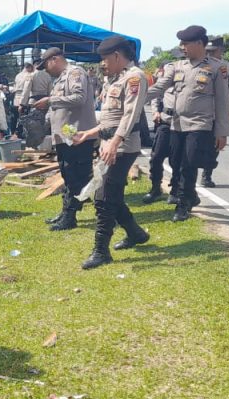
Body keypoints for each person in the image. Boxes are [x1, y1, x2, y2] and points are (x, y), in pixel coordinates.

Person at [71, 36, 151, 270]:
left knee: (104, 198)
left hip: (122, 147)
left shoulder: (134, 77)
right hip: (109, 144)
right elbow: (110, 119)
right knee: (111, 195)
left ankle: (101, 251)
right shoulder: (115, 79)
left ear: (117, 56)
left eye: (105, 59)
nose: (103, 64)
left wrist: (115, 142)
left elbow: (130, 115)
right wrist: (89, 133)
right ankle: (136, 234)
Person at [146, 25, 229, 222]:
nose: (182, 47)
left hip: (200, 124)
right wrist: (136, 98)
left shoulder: (216, 68)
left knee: (189, 164)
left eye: (185, 43)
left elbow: (222, 102)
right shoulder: (177, 66)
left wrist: (222, 132)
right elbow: (159, 87)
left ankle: (183, 204)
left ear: (199, 43)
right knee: (176, 162)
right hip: (177, 124)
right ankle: (191, 195)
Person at [38, 47, 98, 231]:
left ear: (54, 59)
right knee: (67, 173)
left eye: (46, 65)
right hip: (66, 135)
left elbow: (79, 98)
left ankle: (70, 216)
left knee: (75, 176)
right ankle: (66, 211)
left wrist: (50, 100)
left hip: (78, 135)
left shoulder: (75, 73)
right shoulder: (60, 78)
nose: (45, 70)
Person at [202, 35, 229, 188]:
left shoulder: (228, 68)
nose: (209, 54)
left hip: (218, 112)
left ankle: (207, 175)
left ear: (221, 50)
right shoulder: (200, 64)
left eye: (213, 51)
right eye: (207, 51)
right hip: (200, 111)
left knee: (214, 146)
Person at [144, 60, 181, 205]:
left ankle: (175, 191)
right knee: (156, 157)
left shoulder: (186, 80)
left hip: (180, 125)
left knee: (176, 161)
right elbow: (156, 96)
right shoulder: (164, 80)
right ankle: (155, 188)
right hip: (165, 122)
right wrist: (155, 112)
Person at [23, 55, 54, 148]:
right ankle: (45, 145)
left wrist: (22, 104)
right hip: (45, 103)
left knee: (33, 125)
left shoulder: (31, 75)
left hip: (34, 102)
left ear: (34, 65)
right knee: (45, 124)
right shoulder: (48, 76)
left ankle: (34, 145)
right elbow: (50, 91)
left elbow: (26, 90)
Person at [13, 62, 35, 133]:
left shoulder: (17, 75)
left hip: (16, 99)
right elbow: (27, 89)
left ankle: (15, 132)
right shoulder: (29, 75)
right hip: (25, 99)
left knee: (16, 117)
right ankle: (22, 133)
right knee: (25, 117)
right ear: (29, 68)